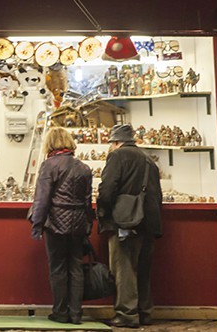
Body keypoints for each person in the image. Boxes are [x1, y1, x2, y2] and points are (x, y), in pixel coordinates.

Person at [97, 123, 163, 329]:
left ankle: (126, 314)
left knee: (124, 269)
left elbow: (107, 189)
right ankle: (145, 312)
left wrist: (104, 213)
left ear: (115, 142)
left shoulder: (117, 157)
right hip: (148, 222)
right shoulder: (147, 159)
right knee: (143, 269)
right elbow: (157, 194)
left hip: (125, 221)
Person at [28, 127, 94, 325]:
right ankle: (76, 313)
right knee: (75, 268)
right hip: (78, 223)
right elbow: (87, 200)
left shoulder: (49, 165)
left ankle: (60, 312)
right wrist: (87, 225)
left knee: (57, 268)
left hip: (56, 223)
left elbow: (42, 198)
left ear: (51, 143)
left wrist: (37, 225)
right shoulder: (83, 167)